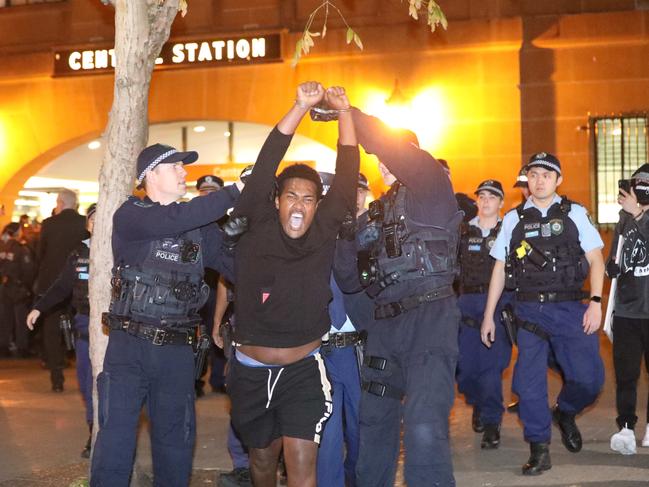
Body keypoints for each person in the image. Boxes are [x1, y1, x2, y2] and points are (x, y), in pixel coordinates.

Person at [226, 81, 359, 487]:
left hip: (302, 371)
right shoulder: (257, 224)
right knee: (263, 464)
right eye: (291, 196)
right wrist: (300, 106)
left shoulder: (323, 231)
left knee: (304, 470)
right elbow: (267, 161)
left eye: (308, 198)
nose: (299, 204)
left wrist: (345, 113)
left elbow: (349, 173)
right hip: (249, 371)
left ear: (318, 205)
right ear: (276, 200)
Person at [90, 143, 243, 485]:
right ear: (151, 175)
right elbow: (175, 219)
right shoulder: (130, 215)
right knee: (115, 439)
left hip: (176, 350)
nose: (184, 172)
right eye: (176, 167)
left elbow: (239, 270)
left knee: (176, 442)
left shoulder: (202, 228)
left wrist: (242, 238)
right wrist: (235, 192)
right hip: (129, 347)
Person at [334, 112, 463, 486]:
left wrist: (350, 116)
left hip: (430, 319)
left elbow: (391, 147)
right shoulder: (373, 215)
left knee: (424, 424)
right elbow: (347, 279)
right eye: (378, 160)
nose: (382, 164)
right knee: (373, 422)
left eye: (388, 155)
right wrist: (342, 227)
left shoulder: (432, 187)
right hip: (384, 328)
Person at [481, 152, 605, 475]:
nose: (539, 181)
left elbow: (596, 260)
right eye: (533, 175)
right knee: (528, 382)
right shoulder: (513, 219)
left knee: (590, 379)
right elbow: (498, 268)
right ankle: (539, 449)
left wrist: (595, 301)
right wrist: (488, 314)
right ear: (527, 180)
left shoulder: (575, 214)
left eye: (546, 175)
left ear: (558, 180)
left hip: (569, 307)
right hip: (530, 309)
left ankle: (565, 410)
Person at [26, 203, 97, 457]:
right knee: (87, 384)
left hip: (115, 330)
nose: (96, 224)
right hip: (85, 326)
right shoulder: (78, 253)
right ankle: (94, 432)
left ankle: (110, 434)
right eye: (92, 220)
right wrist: (39, 308)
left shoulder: (120, 251)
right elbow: (61, 286)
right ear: (87, 225)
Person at [315, 172, 369, 487]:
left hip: (357, 347)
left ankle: (358, 479)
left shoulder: (362, 236)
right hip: (320, 347)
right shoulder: (303, 243)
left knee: (362, 425)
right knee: (328, 427)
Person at [455, 180, 512, 449]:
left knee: (490, 371)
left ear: (501, 202)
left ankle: (491, 423)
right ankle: (477, 402)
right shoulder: (464, 231)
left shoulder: (509, 231)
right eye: (482, 196)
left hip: (498, 306)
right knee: (465, 373)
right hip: (466, 307)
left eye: (493, 197)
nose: (486, 201)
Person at [607, 163, 649, 455]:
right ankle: (626, 427)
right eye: (638, 184)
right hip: (626, 310)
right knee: (626, 374)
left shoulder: (634, 216)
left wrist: (638, 215)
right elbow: (615, 262)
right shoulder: (624, 219)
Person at [34, 188, 87, 391]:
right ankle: (83, 370)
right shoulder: (84, 223)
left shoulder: (48, 224)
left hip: (52, 284)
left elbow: (41, 254)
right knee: (80, 325)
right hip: (79, 284)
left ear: (60, 203)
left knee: (51, 330)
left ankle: (57, 378)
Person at [194, 173, 227, 398]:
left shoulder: (230, 222)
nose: (207, 196)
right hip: (197, 287)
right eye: (204, 192)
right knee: (197, 335)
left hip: (221, 286)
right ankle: (196, 378)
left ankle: (218, 379)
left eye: (212, 193)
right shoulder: (191, 219)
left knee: (219, 332)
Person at [0, 222, 36, 358]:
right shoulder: (22, 249)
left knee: (4, 319)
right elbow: (29, 270)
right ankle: (22, 348)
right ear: (17, 232)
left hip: (4, 286)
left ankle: (3, 347)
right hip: (18, 287)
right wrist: (27, 287)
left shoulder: (2, 246)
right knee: (21, 320)